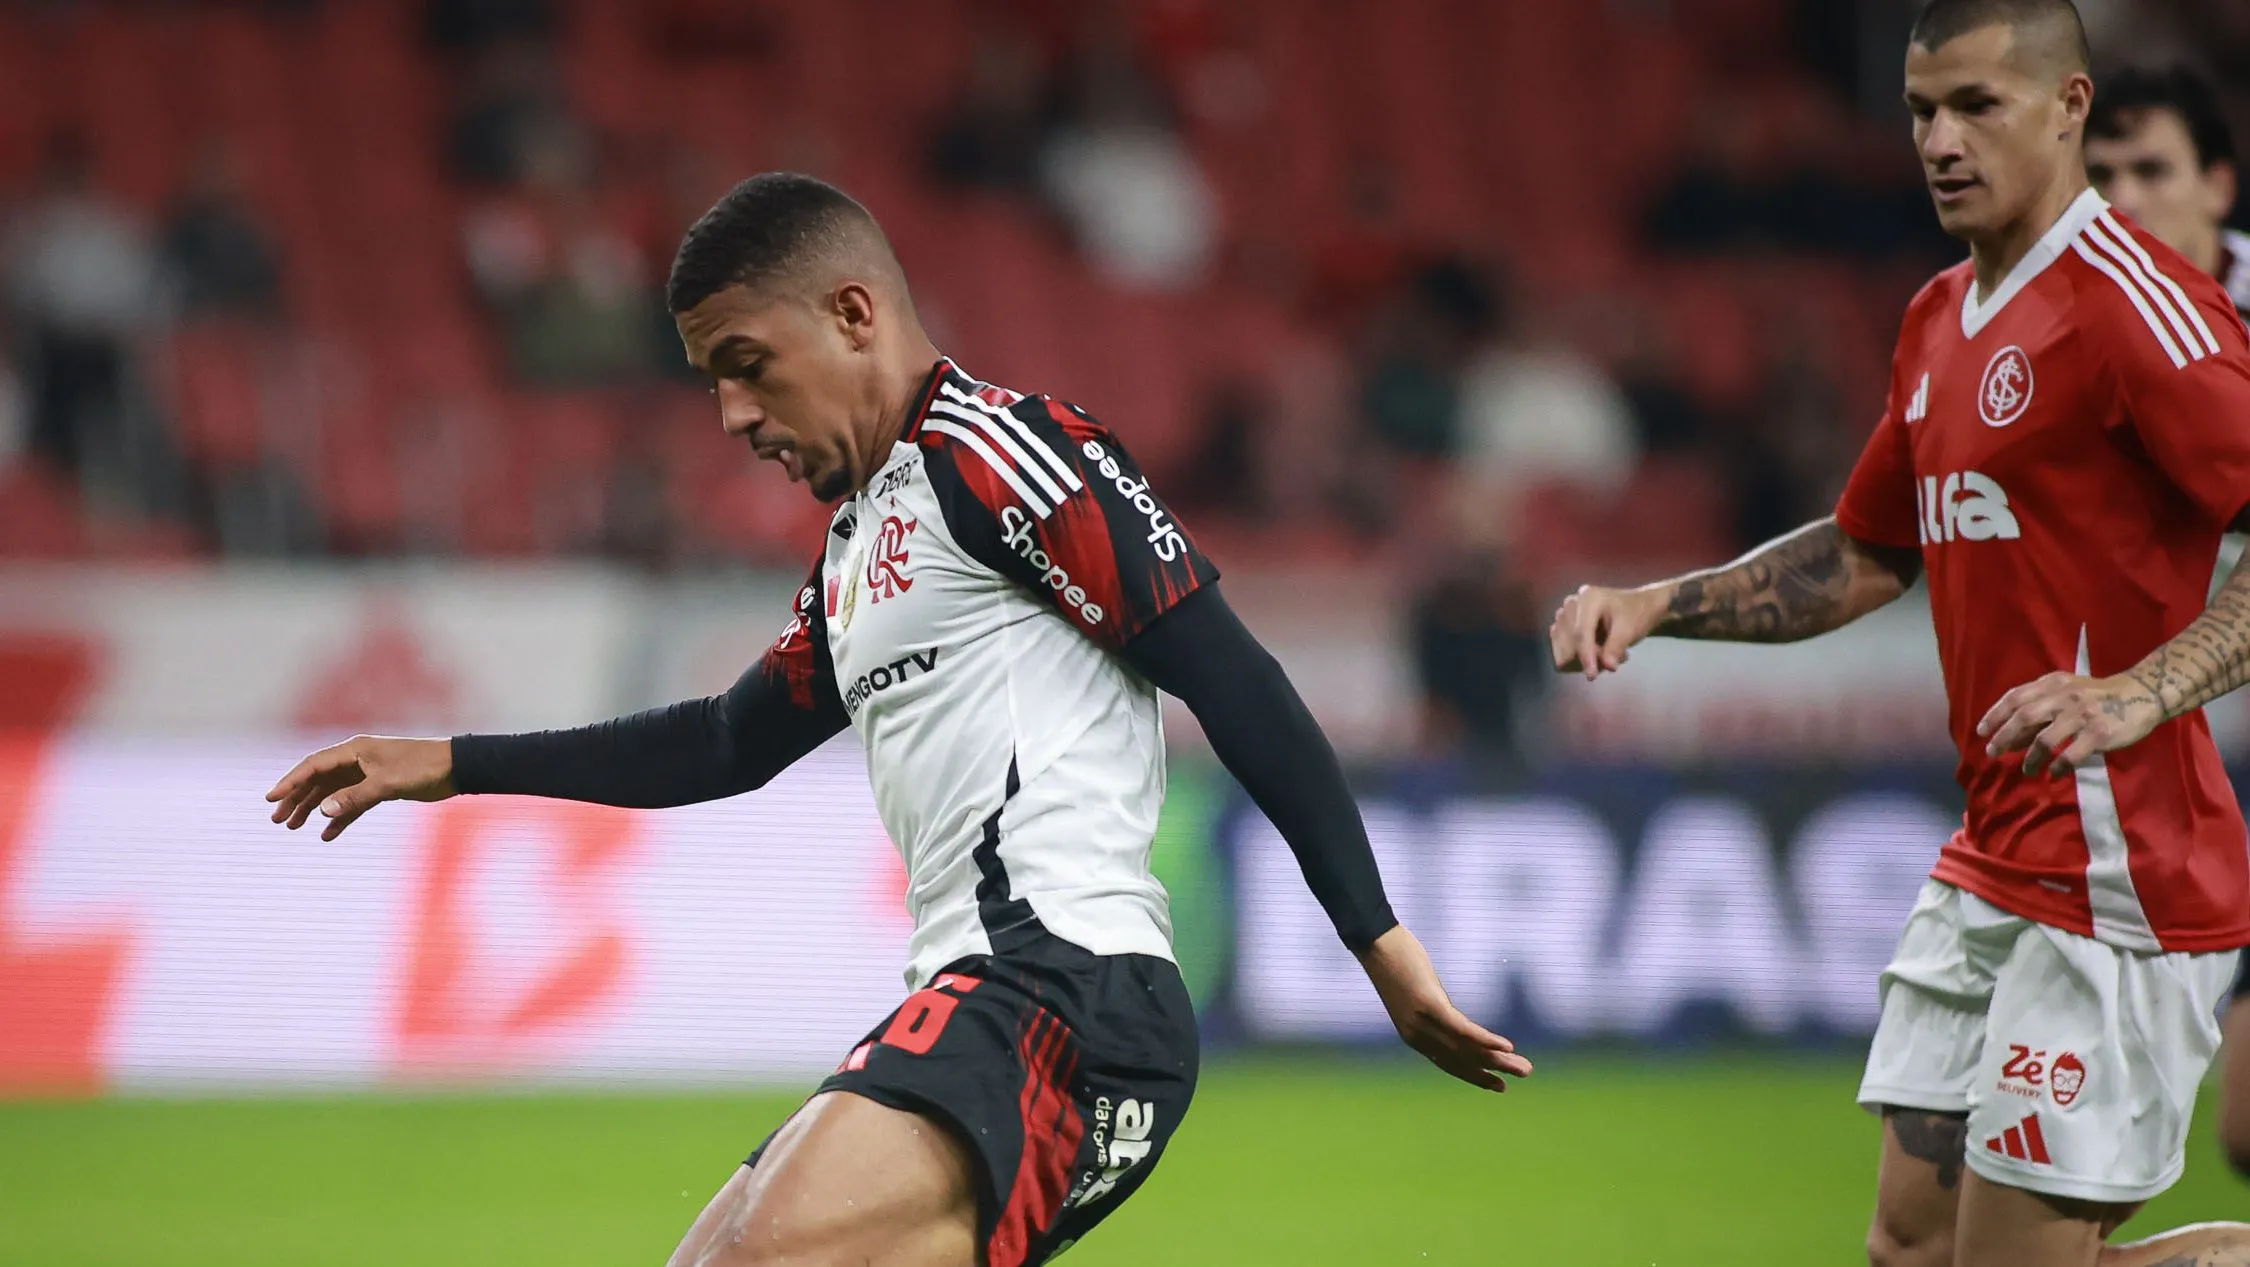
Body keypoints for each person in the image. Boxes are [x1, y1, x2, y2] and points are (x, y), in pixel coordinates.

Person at [265, 172, 1527, 1266]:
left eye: (747, 368)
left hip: (1067, 995)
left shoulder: (1007, 455)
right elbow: (726, 739)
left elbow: (1233, 675)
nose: (735, 419)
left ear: (853, 314)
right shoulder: (865, 542)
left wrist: (1381, 946)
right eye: (713, 385)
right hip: (979, 1004)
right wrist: (452, 762)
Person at [1548, 3, 2250, 1265]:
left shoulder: (2139, 311)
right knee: (1909, 1251)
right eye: (1923, 109)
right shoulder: (1938, 315)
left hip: (2120, 873)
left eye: (1979, 105)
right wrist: (1661, 602)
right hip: (1993, 852)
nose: (1940, 139)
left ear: (2070, 108)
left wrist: (2144, 690)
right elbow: (1870, 550)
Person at [2087, 60, 2250, 1186]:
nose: (2126, 200)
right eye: (2102, 175)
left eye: (2152, 169)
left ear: (2220, 184)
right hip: (2196, 771)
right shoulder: (2086, 325)